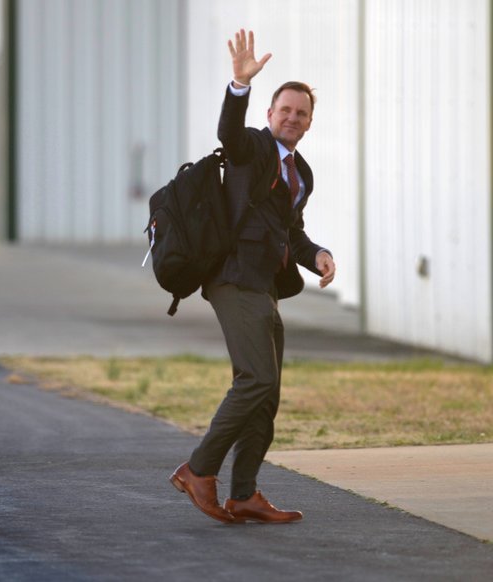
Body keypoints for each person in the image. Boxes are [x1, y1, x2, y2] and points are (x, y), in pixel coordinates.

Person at [170, 30, 336, 524]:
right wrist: (238, 85)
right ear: (269, 115)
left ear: (309, 123)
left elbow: (292, 231)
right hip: (233, 278)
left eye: (301, 113)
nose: (292, 117)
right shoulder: (252, 151)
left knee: (268, 394)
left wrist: (319, 254)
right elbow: (229, 134)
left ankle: (244, 493)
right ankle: (198, 470)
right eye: (284, 109)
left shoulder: (300, 172)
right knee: (255, 379)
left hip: (264, 286)